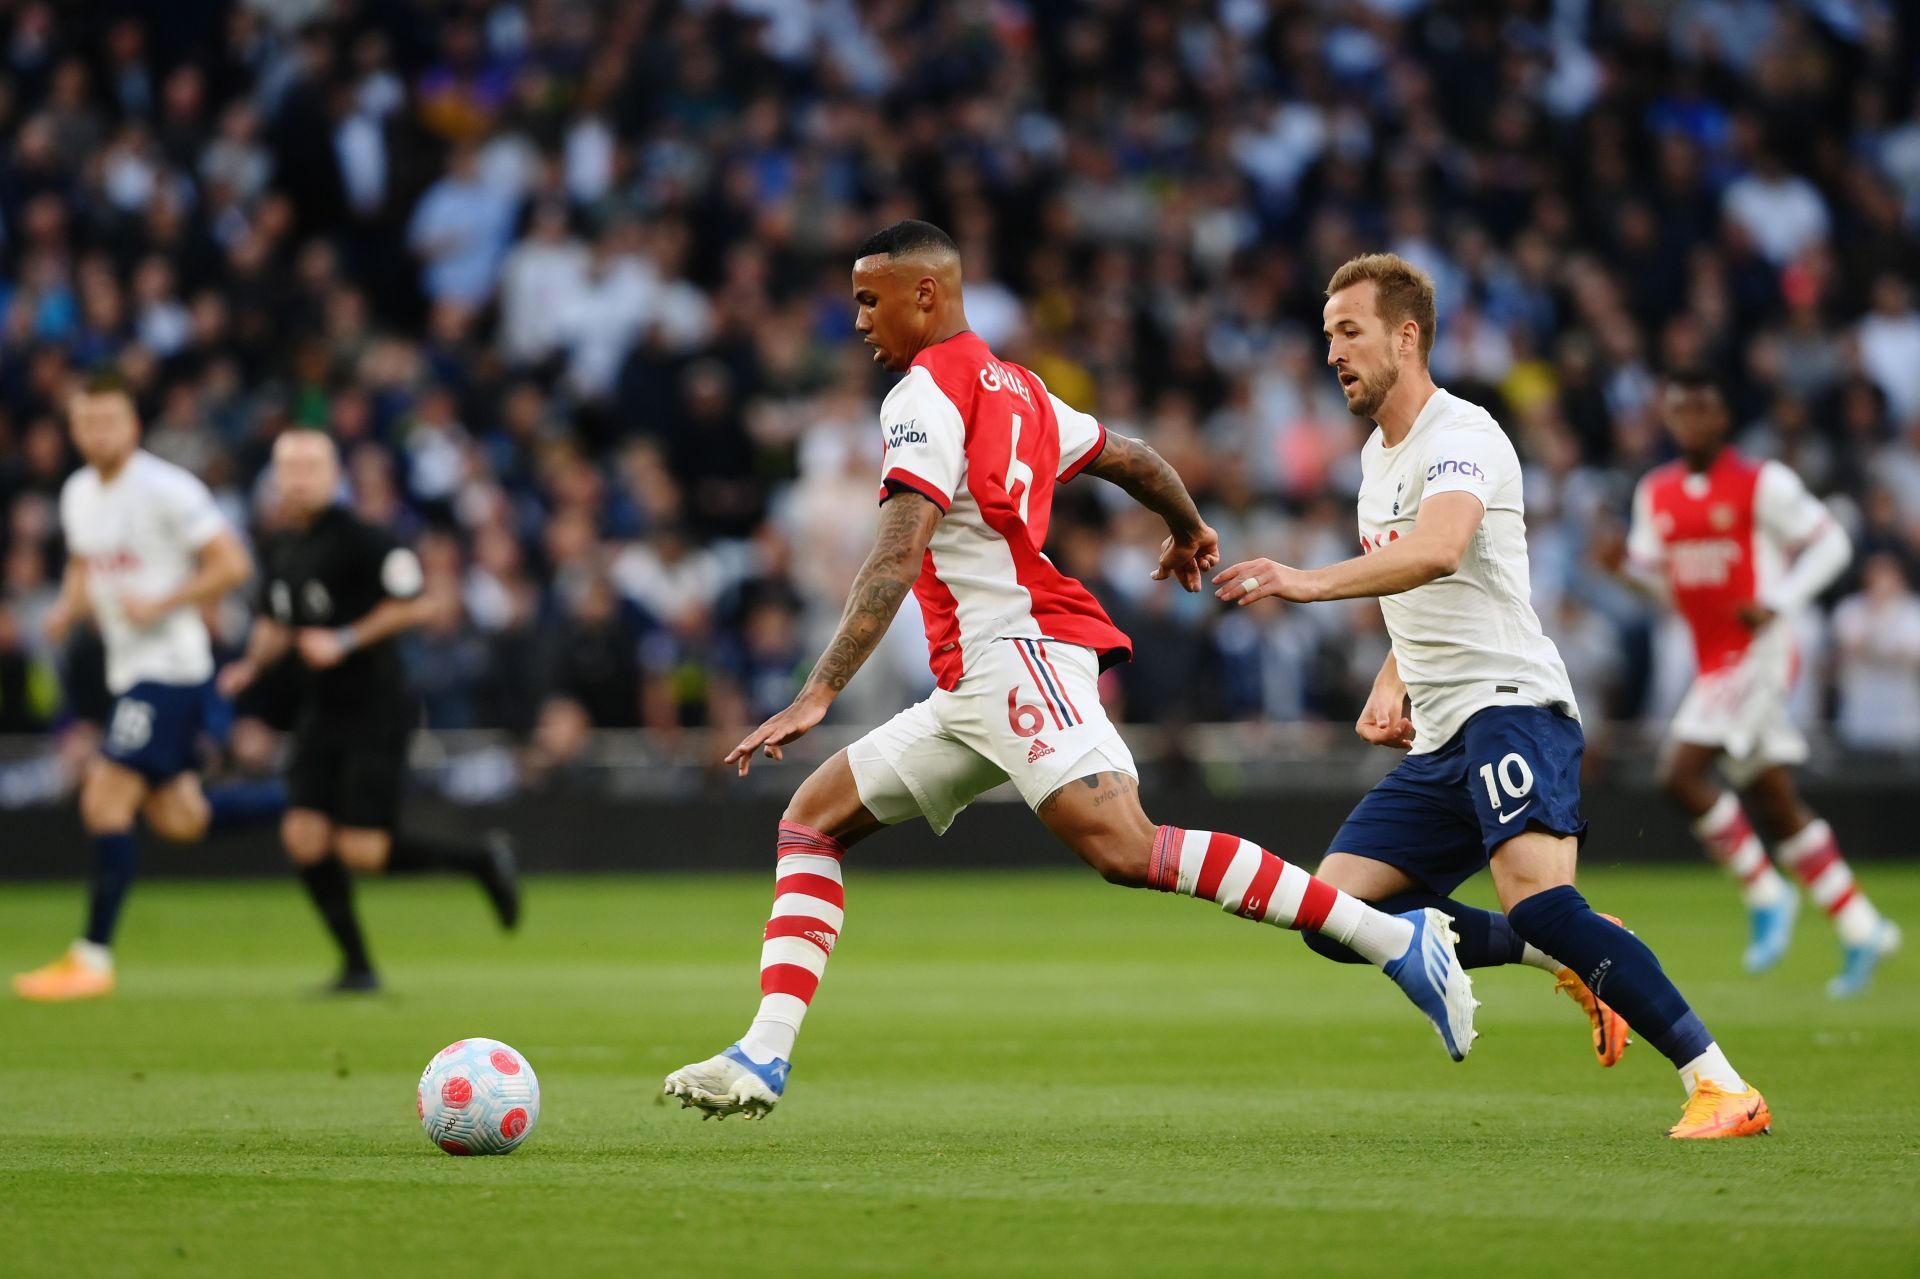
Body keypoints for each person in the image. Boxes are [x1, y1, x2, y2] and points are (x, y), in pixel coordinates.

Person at [663, 221, 1478, 1120]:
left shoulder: (922, 394)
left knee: (1126, 848)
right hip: (975, 683)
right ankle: (764, 1055)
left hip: (1020, 654)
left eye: (869, 298)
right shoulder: (1022, 389)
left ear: (924, 294)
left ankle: (1395, 941)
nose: (858, 319)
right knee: (811, 821)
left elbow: (896, 553)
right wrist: (1186, 526)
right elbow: (1131, 457)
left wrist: (818, 690)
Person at [1213, 254, 1766, 1139]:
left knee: (1540, 899)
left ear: (1407, 334)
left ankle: (1721, 1082)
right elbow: (1418, 590)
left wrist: (1304, 581)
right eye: (1327, 337)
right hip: (1440, 735)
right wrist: (1392, 679)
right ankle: (1576, 952)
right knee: (1338, 911)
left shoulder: (1463, 434)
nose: (1333, 355)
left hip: (1512, 705)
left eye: (1349, 333)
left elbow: (1439, 547)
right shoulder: (1373, 457)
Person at [1622, 369, 1899, 996]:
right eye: (1680, 409)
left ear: (1724, 417)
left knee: (1679, 773)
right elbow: (1660, 581)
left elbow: (1831, 540)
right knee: (1775, 801)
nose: (1692, 419)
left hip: (1761, 650)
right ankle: (1863, 928)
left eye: (1704, 408)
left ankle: (1767, 893)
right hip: (1713, 656)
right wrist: (1624, 573)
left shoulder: (1761, 482)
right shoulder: (1655, 492)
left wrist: (1780, 599)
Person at [218, 429, 520, 992]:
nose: (300, 477)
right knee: (303, 836)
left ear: (334, 476)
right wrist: (250, 667)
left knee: (362, 848)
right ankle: (358, 968)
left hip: (375, 707)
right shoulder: (280, 545)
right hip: (320, 709)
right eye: (290, 466)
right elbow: (275, 621)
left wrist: (347, 639)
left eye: (311, 466)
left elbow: (417, 603)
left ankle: (480, 860)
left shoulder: (365, 539)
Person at [13, 368, 260, 1001]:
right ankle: (309, 800)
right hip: (131, 674)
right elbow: (82, 563)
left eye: (109, 420)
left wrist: (166, 600)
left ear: (133, 424)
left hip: (172, 669)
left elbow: (232, 564)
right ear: (73, 428)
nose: (97, 432)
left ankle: (91, 958)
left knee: (104, 796)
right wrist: (68, 607)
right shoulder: (76, 493)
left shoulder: (168, 489)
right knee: (182, 818)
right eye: (86, 421)